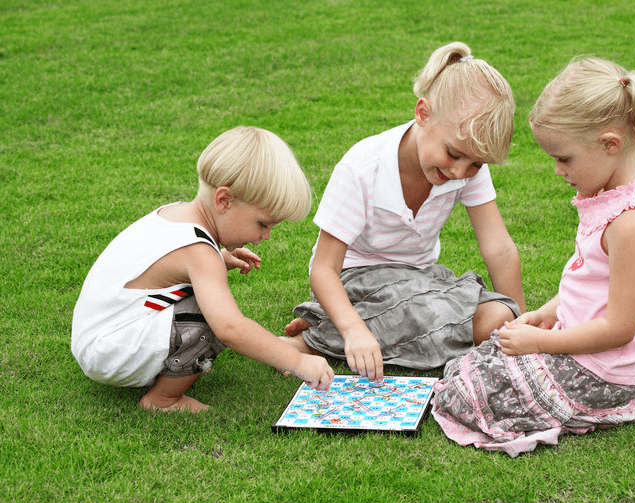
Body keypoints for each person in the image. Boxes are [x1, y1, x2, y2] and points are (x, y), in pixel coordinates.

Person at [432, 57, 635, 457]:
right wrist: (549, 313)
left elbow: (619, 328)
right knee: (476, 364)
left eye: (564, 158)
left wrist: (543, 342)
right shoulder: (614, 194)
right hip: (581, 349)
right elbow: (592, 280)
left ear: (610, 144)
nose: (557, 171)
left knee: (468, 393)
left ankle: (612, 401)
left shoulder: (634, 223)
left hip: (604, 371)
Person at [284, 42, 526, 383]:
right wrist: (354, 330)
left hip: (420, 281)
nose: (460, 172)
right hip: (354, 280)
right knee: (436, 316)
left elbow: (499, 248)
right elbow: (324, 269)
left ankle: (330, 326)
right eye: (453, 154)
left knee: (496, 317)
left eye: (475, 163)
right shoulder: (363, 167)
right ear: (423, 113)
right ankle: (313, 340)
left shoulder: (466, 165)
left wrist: (520, 326)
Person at [71, 126, 334, 412]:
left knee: (205, 303)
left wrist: (220, 256)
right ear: (223, 200)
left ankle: (166, 368)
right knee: (210, 318)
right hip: (110, 354)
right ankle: (163, 400)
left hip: (99, 339)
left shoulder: (175, 213)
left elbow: (165, 267)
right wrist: (296, 360)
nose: (266, 236)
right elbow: (231, 328)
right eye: (263, 223)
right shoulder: (199, 254)